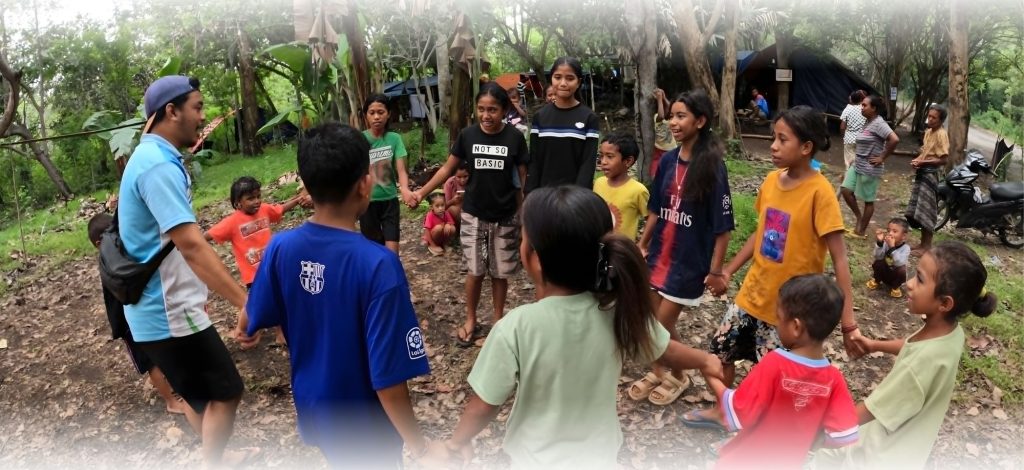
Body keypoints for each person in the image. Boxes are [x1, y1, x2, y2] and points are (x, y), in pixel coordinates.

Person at [442, 186, 724, 470]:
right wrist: (705, 360)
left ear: (534, 257)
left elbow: (484, 406)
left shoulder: (516, 327)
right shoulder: (617, 312)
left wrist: (455, 444)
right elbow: (665, 350)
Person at [244, 122, 448, 469]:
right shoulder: (378, 265)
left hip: (315, 409)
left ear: (306, 187)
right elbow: (388, 380)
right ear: (365, 184)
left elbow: (252, 317)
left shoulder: (280, 247)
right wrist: (422, 447)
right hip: (367, 430)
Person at [682, 106, 864, 428]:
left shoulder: (820, 193)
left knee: (774, 378)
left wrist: (848, 324)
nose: (773, 146)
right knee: (719, 353)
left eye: (782, 139)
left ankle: (759, 430)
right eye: (773, 138)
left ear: (806, 147)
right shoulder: (769, 181)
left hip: (790, 311)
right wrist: (728, 270)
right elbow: (761, 232)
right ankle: (724, 411)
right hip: (752, 294)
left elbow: (839, 258)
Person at [119, 75, 256, 467]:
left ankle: (216, 455)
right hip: (168, 313)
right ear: (171, 111)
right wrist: (245, 301)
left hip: (155, 310)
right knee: (227, 390)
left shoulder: (150, 158)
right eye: (197, 107)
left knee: (199, 395)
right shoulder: (157, 166)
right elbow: (192, 245)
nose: (203, 116)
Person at [814, 241, 997, 470]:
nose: (909, 284)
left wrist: (819, 433)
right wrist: (874, 345)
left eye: (919, 279)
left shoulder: (919, 365)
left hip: (878, 456)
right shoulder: (949, 333)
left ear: (944, 303)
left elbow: (871, 410)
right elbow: (912, 346)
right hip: (908, 448)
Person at [632, 90, 734, 406]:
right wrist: (642, 243)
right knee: (655, 322)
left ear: (700, 121)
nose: (673, 122)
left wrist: (716, 271)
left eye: (681, 116)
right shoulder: (667, 162)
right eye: (672, 115)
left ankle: (680, 371)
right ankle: (667, 371)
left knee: (655, 330)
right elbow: (656, 209)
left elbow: (723, 227)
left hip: (688, 263)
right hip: (660, 255)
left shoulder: (714, 167)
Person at [412, 83, 529, 347]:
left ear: (504, 110)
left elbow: (520, 181)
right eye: (481, 109)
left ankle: (499, 321)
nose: (486, 115)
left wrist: (522, 216)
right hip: (474, 214)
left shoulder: (515, 138)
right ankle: (471, 319)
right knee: (475, 271)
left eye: (493, 110)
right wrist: (421, 193)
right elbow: (446, 170)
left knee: (499, 273)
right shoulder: (468, 136)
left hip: (506, 214)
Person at [704, 274, 859, 469]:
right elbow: (843, 435)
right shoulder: (834, 379)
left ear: (795, 327)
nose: (777, 325)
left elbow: (738, 410)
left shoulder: (774, 363)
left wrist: (711, 376)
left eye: (779, 318)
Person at [88, 213, 185, 415]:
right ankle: (170, 401)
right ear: (100, 243)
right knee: (151, 363)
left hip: (146, 315)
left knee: (162, 352)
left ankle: (177, 386)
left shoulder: (125, 254)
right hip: (128, 324)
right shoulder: (111, 265)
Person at [204, 176, 304, 344]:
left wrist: (296, 200)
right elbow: (208, 235)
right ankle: (243, 332)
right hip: (253, 275)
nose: (256, 201)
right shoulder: (232, 222)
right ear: (238, 203)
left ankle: (281, 334)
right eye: (250, 198)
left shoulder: (264, 210)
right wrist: (187, 242)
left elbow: (280, 209)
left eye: (258, 196)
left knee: (279, 300)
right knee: (253, 306)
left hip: (272, 268)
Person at [525, 57, 600, 192]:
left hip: (574, 197)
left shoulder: (589, 118)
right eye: (558, 77)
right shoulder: (540, 117)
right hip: (544, 195)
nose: (563, 83)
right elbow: (535, 160)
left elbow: (588, 164)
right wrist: (531, 193)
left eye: (570, 78)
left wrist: (578, 198)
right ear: (551, 80)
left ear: (579, 82)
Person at [361, 94, 415, 254]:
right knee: (374, 250)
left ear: (389, 114)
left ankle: (392, 278)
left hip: (390, 201)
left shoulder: (394, 139)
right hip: (367, 203)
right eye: (372, 113)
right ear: (366, 115)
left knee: (392, 252)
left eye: (381, 112)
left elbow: (401, 170)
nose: (376, 117)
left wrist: (404, 189)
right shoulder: (360, 139)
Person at [841, 94, 900, 237]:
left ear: (874, 108)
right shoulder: (868, 121)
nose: (862, 107)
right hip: (858, 164)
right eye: (861, 105)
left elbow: (894, 139)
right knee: (846, 190)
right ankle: (859, 218)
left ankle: (861, 231)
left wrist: (882, 157)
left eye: (865, 105)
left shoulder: (879, 123)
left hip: (870, 167)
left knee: (868, 200)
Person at [906, 104, 949, 254]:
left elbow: (943, 159)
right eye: (929, 116)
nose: (930, 120)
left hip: (931, 175)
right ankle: (922, 244)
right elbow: (925, 152)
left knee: (928, 210)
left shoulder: (942, 134)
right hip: (923, 172)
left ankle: (927, 246)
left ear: (941, 120)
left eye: (934, 118)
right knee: (920, 209)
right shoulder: (928, 132)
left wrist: (922, 162)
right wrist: (917, 161)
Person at [592, 132, 649, 241]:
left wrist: (643, 245)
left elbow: (652, 219)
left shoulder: (638, 190)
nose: (603, 162)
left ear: (628, 161)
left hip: (621, 252)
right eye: (601, 156)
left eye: (609, 156)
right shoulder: (598, 183)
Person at [867, 218, 911, 298]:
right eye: (888, 230)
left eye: (894, 231)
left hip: (895, 275)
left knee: (902, 270)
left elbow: (899, 263)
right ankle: (877, 280)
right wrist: (880, 243)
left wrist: (892, 248)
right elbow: (877, 256)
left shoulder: (906, 248)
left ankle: (895, 287)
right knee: (878, 263)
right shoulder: (886, 243)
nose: (890, 233)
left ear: (903, 236)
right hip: (884, 272)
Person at [649, 87, 678, 179]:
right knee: (655, 173)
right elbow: (661, 114)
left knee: (671, 172)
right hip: (659, 150)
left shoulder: (671, 119)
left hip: (671, 149)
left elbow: (671, 109)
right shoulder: (656, 117)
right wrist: (659, 99)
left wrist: (664, 98)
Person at [839, 90, 867, 172]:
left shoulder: (847, 109)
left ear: (851, 99)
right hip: (862, 139)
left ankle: (849, 180)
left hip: (849, 139)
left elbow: (842, 127)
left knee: (849, 162)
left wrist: (843, 136)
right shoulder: (864, 109)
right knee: (860, 161)